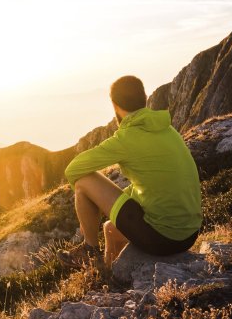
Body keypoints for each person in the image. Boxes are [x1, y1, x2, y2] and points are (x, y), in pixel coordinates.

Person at [57, 75, 202, 269]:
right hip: (189, 233)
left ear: (115, 106)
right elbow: (156, 183)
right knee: (109, 229)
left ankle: (89, 250)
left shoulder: (126, 139)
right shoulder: (167, 129)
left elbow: (73, 169)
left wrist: (89, 204)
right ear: (144, 98)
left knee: (83, 181)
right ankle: (108, 274)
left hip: (164, 237)